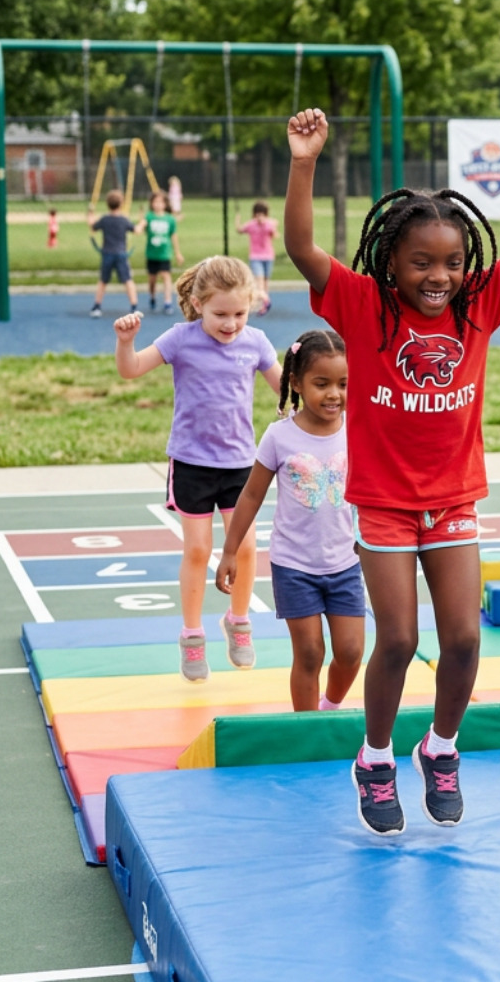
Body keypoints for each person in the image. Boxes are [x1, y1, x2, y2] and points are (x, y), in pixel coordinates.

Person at [285, 95, 500, 837]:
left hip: (453, 499)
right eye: (422, 262)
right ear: (389, 261)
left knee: (463, 638)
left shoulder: (480, 305)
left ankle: (442, 746)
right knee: (396, 639)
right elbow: (304, 250)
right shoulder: (365, 308)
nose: (440, 275)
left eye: (454, 262)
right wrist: (304, 167)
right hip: (386, 504)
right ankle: (373, 759)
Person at [112, 256, 281, 682]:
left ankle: (239, 622)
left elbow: (288, 391)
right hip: (191, 463)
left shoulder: (256, 342)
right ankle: (191, 636)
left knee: (244, 547)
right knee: (198, 549)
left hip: (241, 464)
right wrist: (125, 342)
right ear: (198, 304)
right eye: (220, 314)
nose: (230, 324)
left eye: (239, 314)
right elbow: (130, 370)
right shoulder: (180, 339)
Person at [216, 330, 363, 713]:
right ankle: (307, 727)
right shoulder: (279, 437)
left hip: (346, 563)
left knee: (350, 652)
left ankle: (328, 708)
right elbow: (250, 495)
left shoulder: (358, 429)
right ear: (295, 382)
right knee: (310, 652)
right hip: (294, 565)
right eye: (322, 384)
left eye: (343, 384)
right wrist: (230, 550)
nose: (334, 394)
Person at [90, 190, 140, 318]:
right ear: (121, 204)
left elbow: (92, 226)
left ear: (107, 204)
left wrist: (90, 215)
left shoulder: (104, 220)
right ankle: (134, 306)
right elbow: (136, 230)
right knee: (128, 280)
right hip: (121, 254)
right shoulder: (124, 220)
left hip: (107, 254)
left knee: (103, 281)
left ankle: (97, 306)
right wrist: (142, 222)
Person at [139, 191, 184, 314]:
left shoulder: (170, 219)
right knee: (152, 280)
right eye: (155, 202)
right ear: (152, 204)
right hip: (152, 254)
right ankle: (152, 297)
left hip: (164, 254)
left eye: (161, 202)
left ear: (165, 204)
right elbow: (142, 226)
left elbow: (174, 236)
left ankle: (167, 302)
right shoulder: (149, 216)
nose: (158, 204)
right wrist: (139, 226)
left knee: (166, 276)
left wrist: (177, 253)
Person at [238, 201, 279, 315]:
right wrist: (238, 219)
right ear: (254, 214)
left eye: (262, 214)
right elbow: (240, 230)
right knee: (259, 281)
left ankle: (265, 302)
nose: (260, 217)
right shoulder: (251, 225)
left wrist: (271, 226)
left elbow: (275, 235)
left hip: (268, 256)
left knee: (265, 281)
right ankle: (263, 301)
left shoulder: (269, 224)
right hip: (255, 256)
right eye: (258, 214)